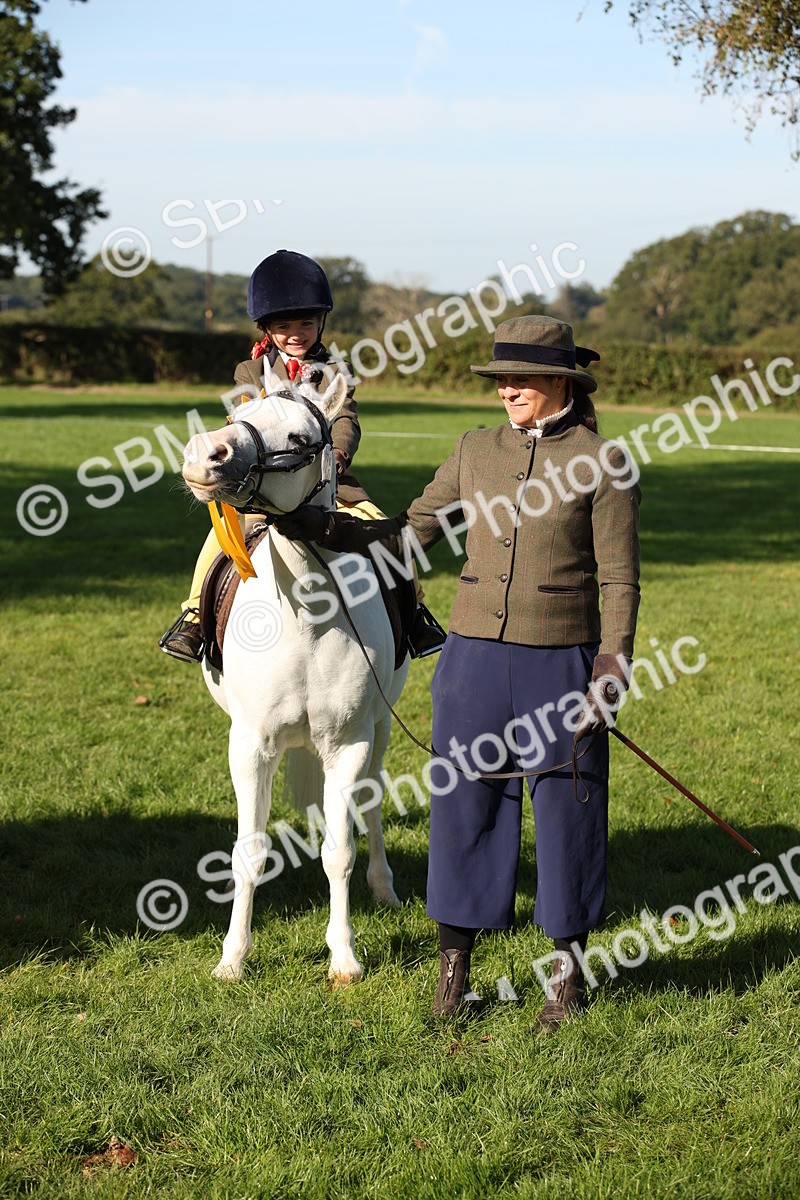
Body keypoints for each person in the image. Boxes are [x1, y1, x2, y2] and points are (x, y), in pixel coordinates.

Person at [272, 315, 641, 1033]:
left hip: (562, 661)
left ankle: (566, 979)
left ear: (561, 381)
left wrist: (610, 665)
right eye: (500, 378)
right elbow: (414, 533)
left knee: (569, 811)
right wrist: (329, 529)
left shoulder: (605, 461)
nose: (507, 389)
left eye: (521, 378)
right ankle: (453, 975)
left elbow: (622, 580)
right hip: (471, 660)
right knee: (464, 808)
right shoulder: (474, 449)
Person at [159, 249, 445, 662]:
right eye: (285, 326)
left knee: (385, 530)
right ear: (267, 329)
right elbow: (241, 418)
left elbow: (346, 417)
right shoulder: (249, 372)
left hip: (328, 481)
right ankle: (193, 615)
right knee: (218, 538)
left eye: (306, 324)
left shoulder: (335, 370)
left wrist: (340, 452)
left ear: (321, 322)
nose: (297, 333)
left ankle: (414, 610)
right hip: (264, 482)